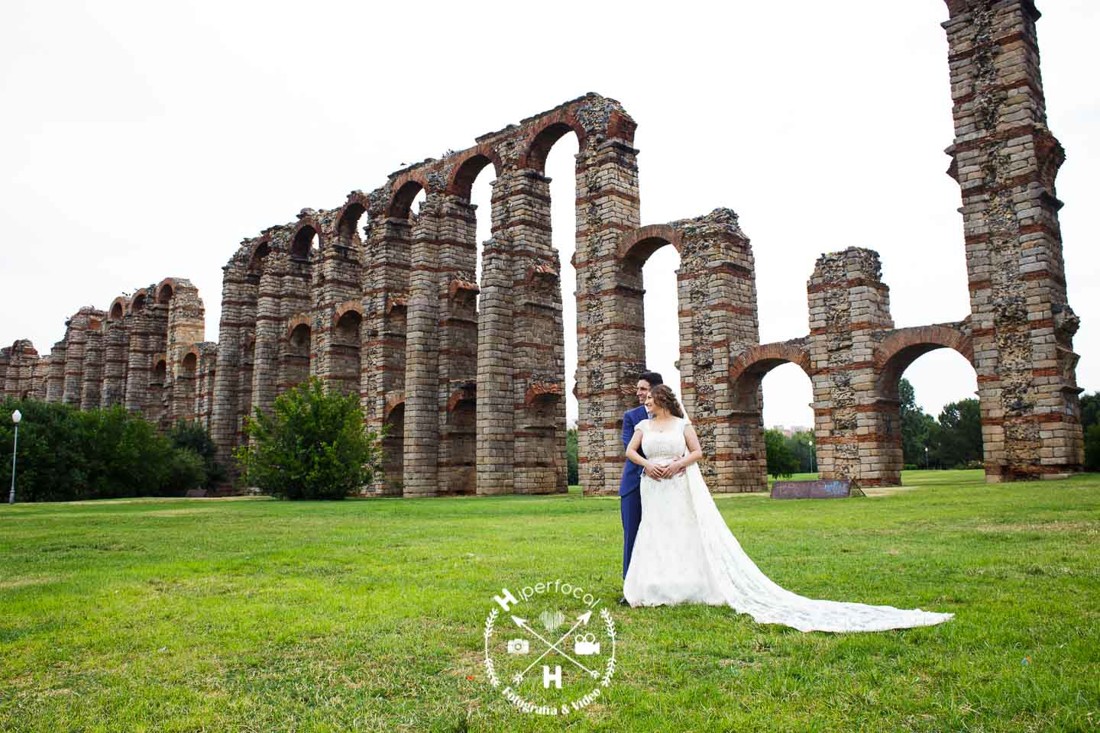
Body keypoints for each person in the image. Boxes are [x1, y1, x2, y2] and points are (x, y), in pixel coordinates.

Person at [623, 384, 953, 633]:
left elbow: (696, 452)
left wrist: (679, 464)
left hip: (677, 482)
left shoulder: (682, 425)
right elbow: (631, 452)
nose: (645, 403)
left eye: (649, 399)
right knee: (655, 533)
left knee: (682, 532)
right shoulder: (643, 427)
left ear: (662, 400)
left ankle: (687, 584)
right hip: (653, 485)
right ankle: (653, 585)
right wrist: (647, 466)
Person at [619, 371, 663, 580]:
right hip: (634, 482)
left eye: (643, 389)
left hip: (665, 482)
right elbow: (630, 447)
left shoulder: (675, 416)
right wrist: (650, 465)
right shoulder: (632, 416)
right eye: (638, 389)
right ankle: (630, 583)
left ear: (656, 390)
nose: (638, 393)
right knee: (632, 534)